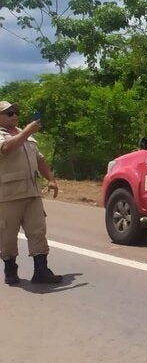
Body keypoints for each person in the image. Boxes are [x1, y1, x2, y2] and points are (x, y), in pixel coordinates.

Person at [0, 101, 62, 285]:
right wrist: (28, 131)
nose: (14, 115)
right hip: (7, 195)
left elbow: (39, 158)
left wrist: (51, 179)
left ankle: (41, 271)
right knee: (7, 235)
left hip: (32, 193)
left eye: (15, 112)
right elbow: (5, 148)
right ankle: (10, 268)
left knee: (38, 230)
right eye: (9, 113)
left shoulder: (23, 134)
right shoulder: (10, 135)